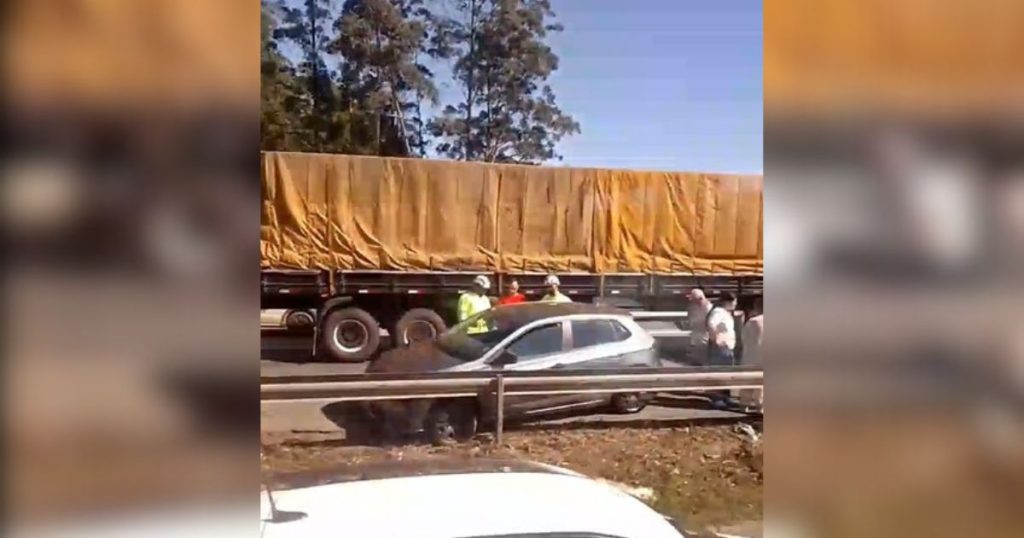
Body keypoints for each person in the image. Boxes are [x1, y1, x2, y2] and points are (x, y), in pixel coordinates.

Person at [705, 292, 738, 408]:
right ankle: (717, 399)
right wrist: (716, 338)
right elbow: (711, 324)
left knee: (726, 373)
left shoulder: (725, 313)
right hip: (721, 347)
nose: (735, 305)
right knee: (719, 372)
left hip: (727, 346)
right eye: (734, 302)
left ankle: (725, 397)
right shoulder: (718, 312)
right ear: (727, 302)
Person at [739, 298, 763, 411]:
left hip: (750, 354)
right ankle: (760, 405)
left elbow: (743, 337)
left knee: (747, 380)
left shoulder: (752, 321)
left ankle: (745, 403)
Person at [686, 288, 713, 364]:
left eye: (694, 300)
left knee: (703, 364)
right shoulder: (693, 307)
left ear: (700, 299)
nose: (692, 302)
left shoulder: (710, 309)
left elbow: (709, 325)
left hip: (705, 341)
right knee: (694, 363)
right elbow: (690, 319)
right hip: (694, 340)